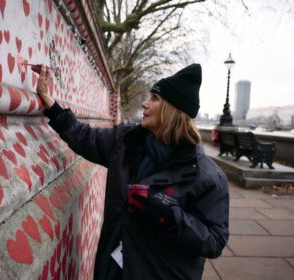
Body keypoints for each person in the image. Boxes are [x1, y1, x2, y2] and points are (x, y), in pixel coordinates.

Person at [36, 63, 229, 280]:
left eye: (155, 98)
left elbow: (214, 242)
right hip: (111, 269)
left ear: (173, 111)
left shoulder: (208, 177)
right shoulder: (126, 141)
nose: (145, 104)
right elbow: (85, 137)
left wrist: (167, 216)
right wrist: (49, 101)